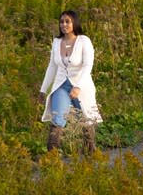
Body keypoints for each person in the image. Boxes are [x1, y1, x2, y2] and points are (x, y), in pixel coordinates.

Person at [39, 10, 101, 151]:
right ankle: (52, 156)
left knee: (86, 119)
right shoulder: (56, 42)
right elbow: (52, 67)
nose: (64, 24)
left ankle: (90, 151)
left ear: (74, 23)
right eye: (61, 22)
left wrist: (78, 86)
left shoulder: (84, 41)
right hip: (61, 85)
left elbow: (88, 65)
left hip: (81, 85)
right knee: (57, 118)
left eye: (67, 21)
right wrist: (43, 90)